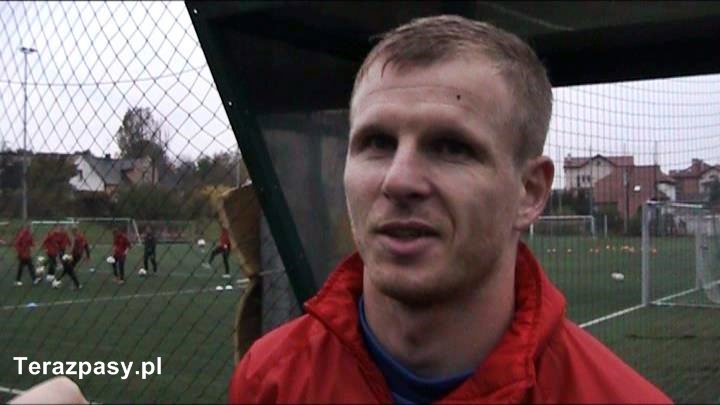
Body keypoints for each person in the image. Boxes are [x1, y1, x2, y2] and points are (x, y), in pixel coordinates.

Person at [228, 15, 671, 404]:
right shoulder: (270, 380)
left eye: (451, 147)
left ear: (530, 191)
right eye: (377, 142)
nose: (399, 180)